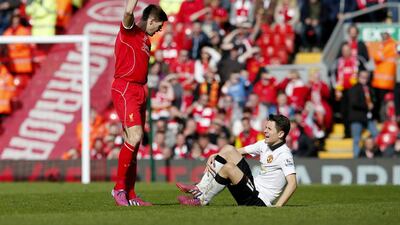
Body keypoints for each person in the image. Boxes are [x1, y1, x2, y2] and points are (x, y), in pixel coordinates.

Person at [111, 0, 167, 207]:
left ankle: (131, 194)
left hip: (139, 90)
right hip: (125, 87)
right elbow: (127, 11)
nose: (159, 30)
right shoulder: (129, 31)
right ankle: (118, 190)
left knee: (133, 144)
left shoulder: (146, 40)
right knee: (134, 137)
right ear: (150, 20)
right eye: (158, 25)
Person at [176, 114, 297, 207]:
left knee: (229, 167)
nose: (265, 131)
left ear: (280, 134)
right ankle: (200, 189)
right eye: (265, 127)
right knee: (228, 148)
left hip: (259, 200)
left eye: (269, 129)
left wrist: (278, 206)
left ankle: (201, 200)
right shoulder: (264, 144)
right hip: (253, 188)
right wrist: (215, 155)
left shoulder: (284, 154)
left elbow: (292, 183)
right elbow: (235, 151)